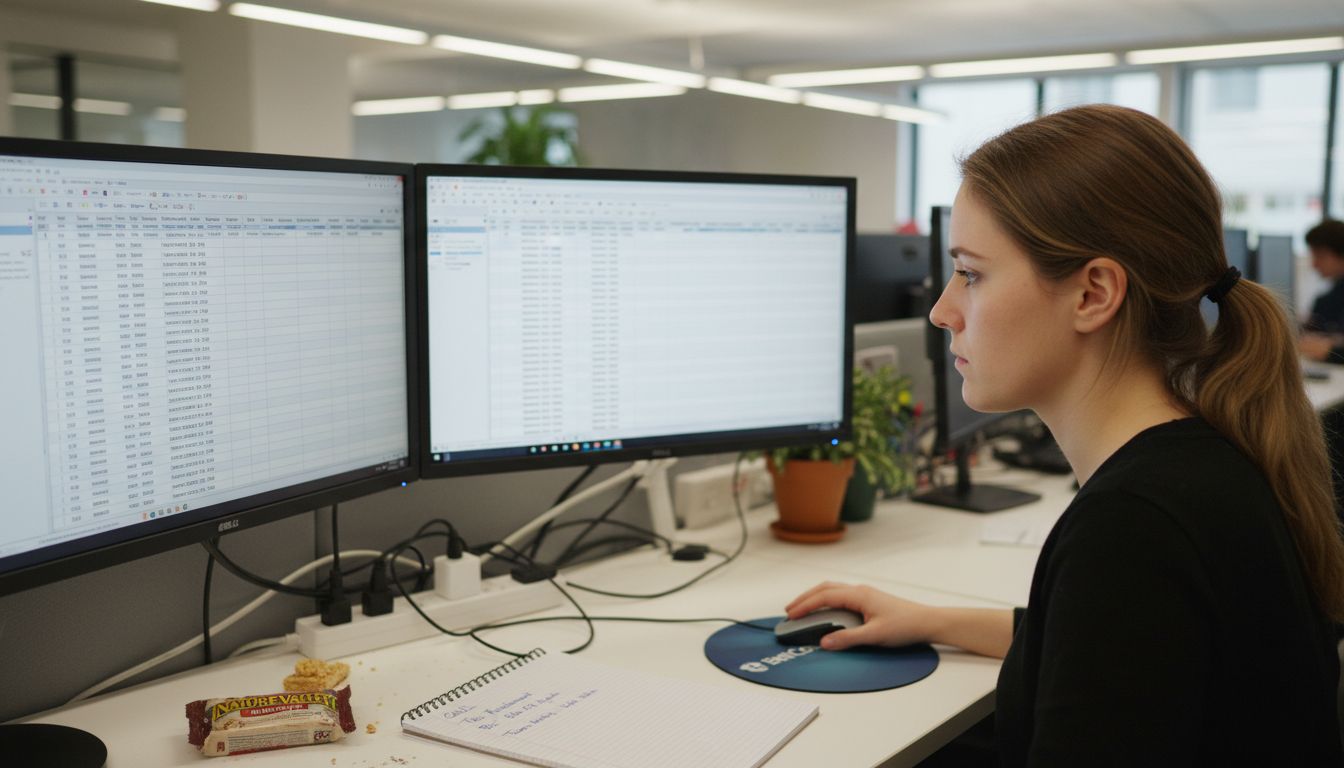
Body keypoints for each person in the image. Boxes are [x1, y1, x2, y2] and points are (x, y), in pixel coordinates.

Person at [787, 105, 1344, 765]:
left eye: (971, 273)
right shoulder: (1203, 464)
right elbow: (1117, 644)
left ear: (1093, 294)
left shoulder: (1133, 527)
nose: (942, 311)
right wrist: (932, 621)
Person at [1301, 218, 1344, 363]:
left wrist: (1331, 351)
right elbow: (1315, 327)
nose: (1314, 264)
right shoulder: (1330, 297)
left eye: (1320, 256)